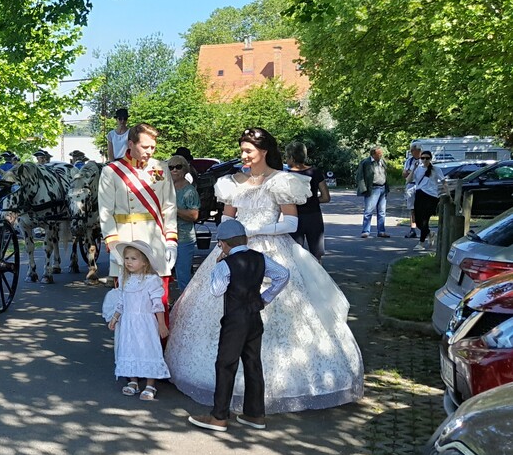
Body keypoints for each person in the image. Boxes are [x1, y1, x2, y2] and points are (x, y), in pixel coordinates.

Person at [166, 127, 364, 415]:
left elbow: (291, 223)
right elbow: (227, 216)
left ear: (264, 151)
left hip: (271, 248)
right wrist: (228, 236)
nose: (243, 156)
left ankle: (274, 387)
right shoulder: (232, 182)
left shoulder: (282, 181)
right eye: (242, 150)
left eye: (248, 151)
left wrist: (254, 231)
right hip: (234, 249)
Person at [186, 219, 290, 432]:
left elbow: (217, 290)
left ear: (223, 244)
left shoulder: (226, 264)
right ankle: (255, 414)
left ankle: (219, 416)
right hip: (254, 316)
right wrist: (265, 298)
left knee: (226, 365)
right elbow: (283, 274)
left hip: (235, 319)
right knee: (253, 363)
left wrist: (217, 267)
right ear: (244, 239)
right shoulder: (259, 258)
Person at [97, 123, 178, 303]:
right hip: (126, 242)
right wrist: (114, 246)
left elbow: (169, 207)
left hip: (155, 241)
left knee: (159, 302)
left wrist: (171, 241)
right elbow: (105, 212)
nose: (149, 151)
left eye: (153, 147)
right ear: (131, 144)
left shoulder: (161, 168)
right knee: (127, 305)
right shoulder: (111, 172)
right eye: (145, 146)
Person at [104, 241, 170, 402]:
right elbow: (121, 302)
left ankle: (150, 383)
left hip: (145, 322)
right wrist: (115, 318)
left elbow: (157, 304)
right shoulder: (124, 279)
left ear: (144, 262)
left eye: (133, 258)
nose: (129, 262)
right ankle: (133, 381)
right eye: (127, 258)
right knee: (129, 349)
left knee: (147, 349)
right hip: (128, 323)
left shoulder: (151, 280)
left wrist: (161, 324)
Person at [285, 141, 330, 260]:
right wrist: (313, 200)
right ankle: (319, 277)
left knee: (294, 253)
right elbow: (326, 197)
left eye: (286, 157)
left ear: (292, 158)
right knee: (317, 254)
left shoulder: (285, 175)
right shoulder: (315, 172)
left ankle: (299, 278)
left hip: (293, 217)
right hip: (314, 216)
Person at [168, 155, 200, 292]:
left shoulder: (189, 191)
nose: (174, 170)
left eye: (178, 167)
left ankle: (185, 308)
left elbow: (194, 215)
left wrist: (174, 209)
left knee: (183, 275)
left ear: (185, 169)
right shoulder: (166, 189)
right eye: (171, 167)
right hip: (167, 237)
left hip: (184, 238)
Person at [410, 151, 445, 252]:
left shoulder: (436, 169)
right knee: (417, 221)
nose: (425, 160)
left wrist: (447, 194)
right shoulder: (418, 169)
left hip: (431, 196)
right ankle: (430, 233)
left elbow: (444, 182)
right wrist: (413, 169)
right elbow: (409, 180)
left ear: (430, 159)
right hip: (419, 195)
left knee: (425, 220)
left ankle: (421, 243)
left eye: (427, 158)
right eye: (423, 158)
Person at [356, 146, 391, 238]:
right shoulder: (366, 162)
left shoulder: (382, 161)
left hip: (383, 188)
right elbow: (360, 176)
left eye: (381, 153)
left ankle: (381, 231)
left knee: (382, 211)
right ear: (373, 154)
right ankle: (366, 231)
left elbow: (385, 174)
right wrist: (363, 189)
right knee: (368, 211)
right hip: (372, 189)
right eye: (379, 154)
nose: (381, 155)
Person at [403, 144, 422, 239]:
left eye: (417, 151)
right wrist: (411, 171)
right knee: (412, 209)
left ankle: (424, 229)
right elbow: (404, 174)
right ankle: (413, 229)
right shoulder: (409, 161)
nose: (414, 153)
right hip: (411, 185)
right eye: (413, 151)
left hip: (421, 186)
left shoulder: (424, 160)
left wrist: (411, 172)